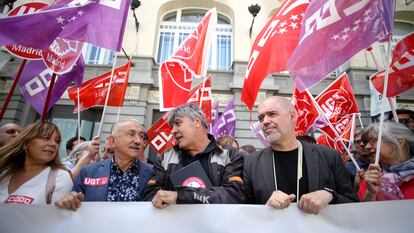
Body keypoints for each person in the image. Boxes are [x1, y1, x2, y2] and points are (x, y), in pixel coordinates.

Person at [243, 96, 358, 215]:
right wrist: (266, 208)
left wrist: (330, 195)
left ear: (292, 116)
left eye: (272, 114)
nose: (265, 121)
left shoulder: (328, 156)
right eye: (261, 118)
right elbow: (244, 212)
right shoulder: (251, 163)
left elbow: (353, 202)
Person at [141, 103, 245, 208]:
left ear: (197, 121)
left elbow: (234, 195)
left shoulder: (229, 155)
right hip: (174, 223)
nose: (173, 131)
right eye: (172, 126)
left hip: (215, 224)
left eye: (178, 123)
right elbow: (149, 194)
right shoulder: (166, 157)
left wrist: (181, 196)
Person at [55, 119, 153, 211]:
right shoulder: (89, 172)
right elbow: (74, 199)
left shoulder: (153, 173)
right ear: (113, 141)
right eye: (131, 134)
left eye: (141, 136)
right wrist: (70, 199)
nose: (138, 141)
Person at [0, 121, 73, 204]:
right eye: (45, 138)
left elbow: (56, 216)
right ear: (25, 144)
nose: (53, 144)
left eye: (57, 141)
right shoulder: (5, 175)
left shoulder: (60, 177)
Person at [358, 122, 414, 201]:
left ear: (399, 142)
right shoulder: (371, 180)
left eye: (374, 140)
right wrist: (370, 193)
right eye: (367, 142)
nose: (367, 146)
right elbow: (365, 212)